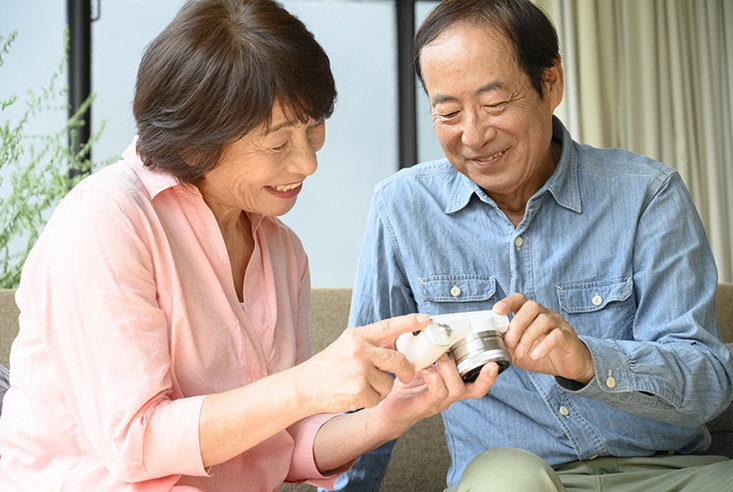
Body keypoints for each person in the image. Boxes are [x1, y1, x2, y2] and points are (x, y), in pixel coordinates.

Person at [0, 1, 498, 490]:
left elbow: (282, 444)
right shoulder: (106, 219)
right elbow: (137, 440)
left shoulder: (282, 252)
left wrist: (391, 414)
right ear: (198, 139)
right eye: (278, 143)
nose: (308, 164)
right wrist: (306, 384)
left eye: (312, 128)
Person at [326, 0, 733, 491]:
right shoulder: (402, 209)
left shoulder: (648, 194)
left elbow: (710, 382)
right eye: (449, 111)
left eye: (495, 104)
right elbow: (369, 390)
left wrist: (587, 360)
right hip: (511, 476)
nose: (474, 135)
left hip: (668, 472)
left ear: (551, 83)